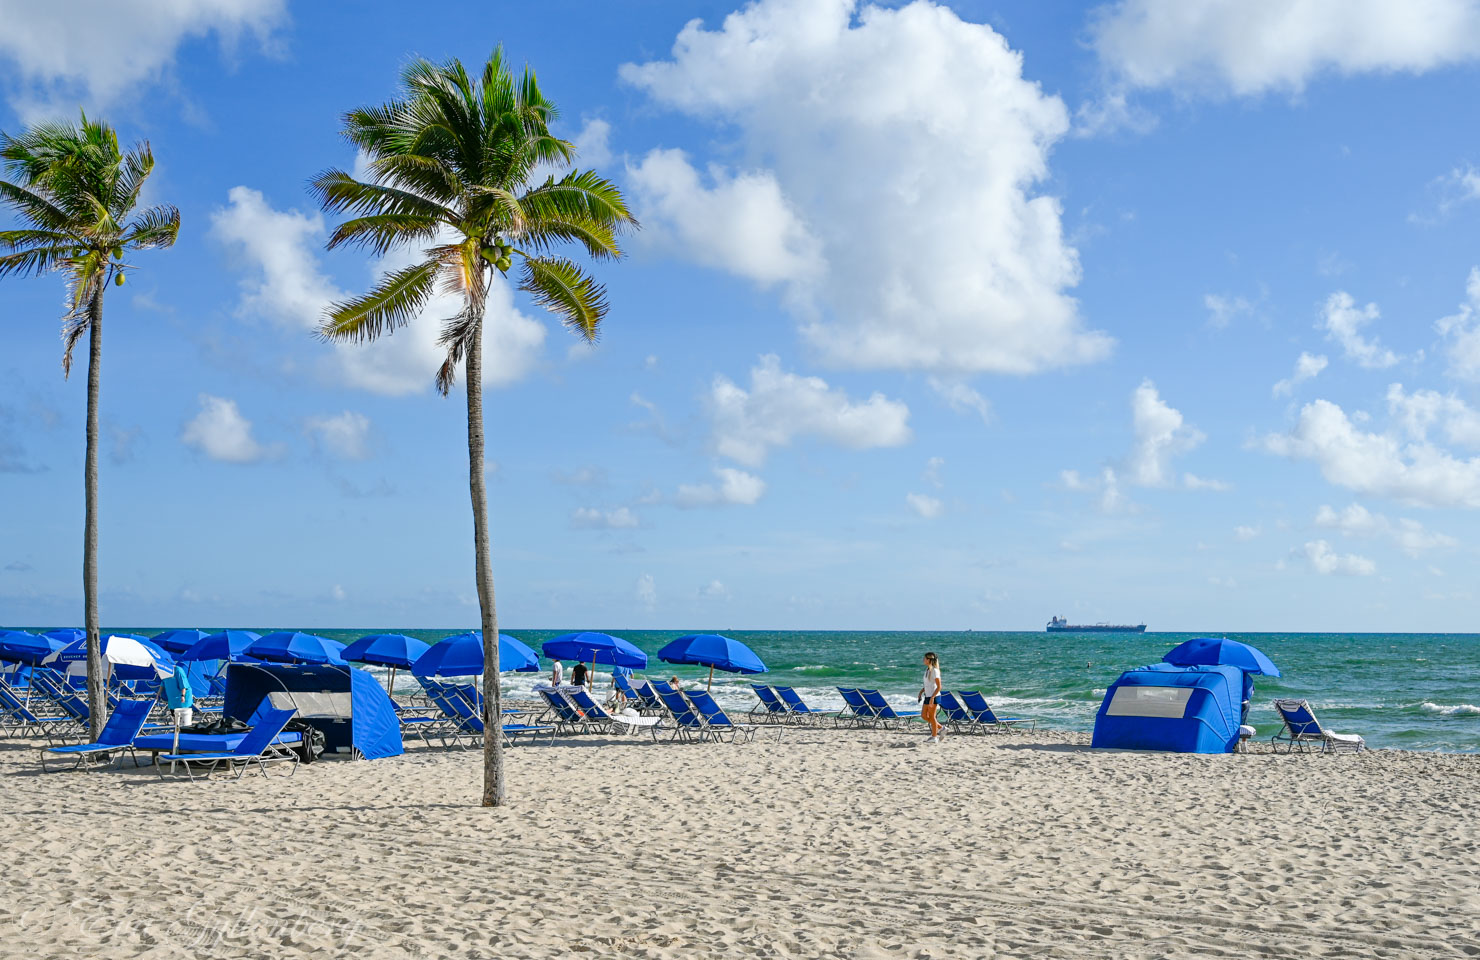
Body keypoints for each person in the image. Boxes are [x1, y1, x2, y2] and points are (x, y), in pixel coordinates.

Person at [918, 651, 943, 743]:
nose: (923, 660)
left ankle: (934, 737)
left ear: (929, 660)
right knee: (924, 715)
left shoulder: (935, 671)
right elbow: (928, 685)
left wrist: (932, 697)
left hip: (934, 696)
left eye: (925, 658)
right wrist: (921, 692)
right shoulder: (927, 670)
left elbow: (939, 686)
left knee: (932, 717)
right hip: (927, 696)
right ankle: (941, 728)